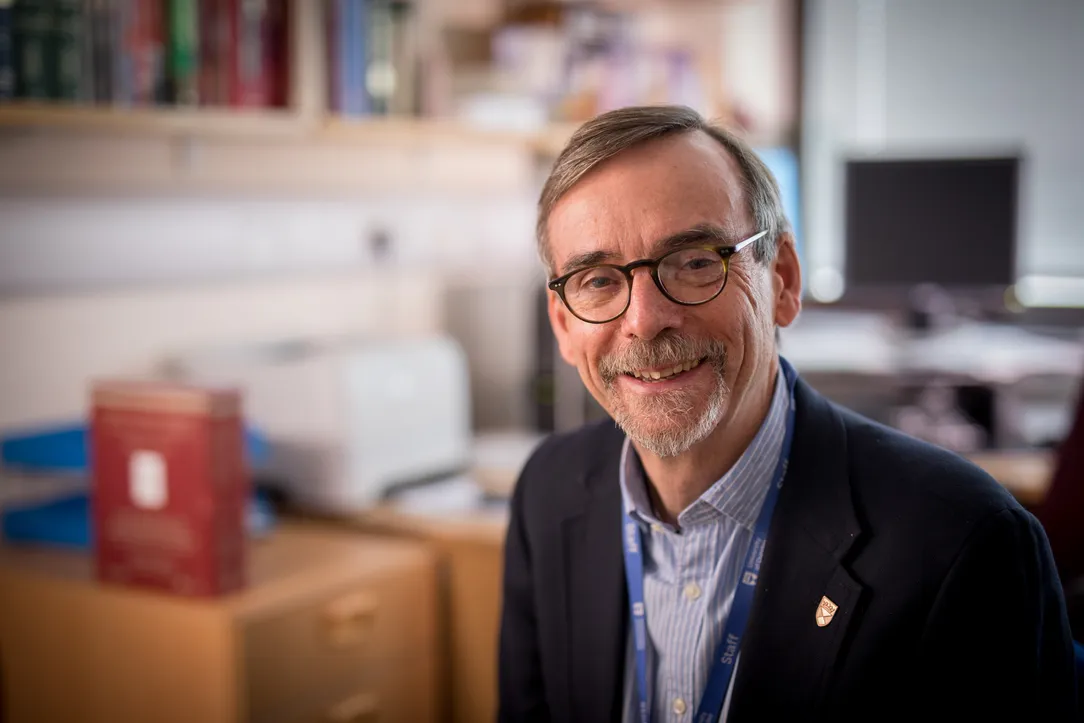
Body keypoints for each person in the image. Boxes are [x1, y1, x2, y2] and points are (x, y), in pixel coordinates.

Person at [497, 105, 1078, 723]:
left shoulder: (966, 541)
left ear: (782, 279)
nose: (643, 319)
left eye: (695, 262)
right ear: (563, 324)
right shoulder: (547, 493)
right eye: (598, 280)